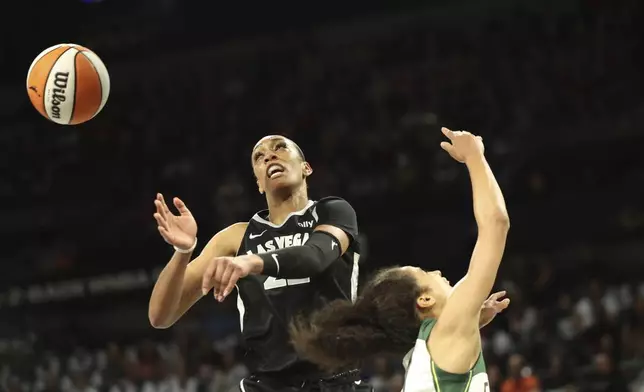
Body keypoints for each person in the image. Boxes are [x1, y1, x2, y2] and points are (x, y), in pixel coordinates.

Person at [289, 128, 510, 392]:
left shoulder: (421, 353)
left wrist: (473, 317)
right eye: (427, 273)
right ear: (424, 300)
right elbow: (496, 225)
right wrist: (475, 155)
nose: (438, 271)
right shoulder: (448, 331)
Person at [148, 135, 367, 392]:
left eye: (280, 148)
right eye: (259, 157)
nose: (270, 156)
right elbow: (160, 316)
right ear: (259, 183)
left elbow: (314, 257)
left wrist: (252, 261)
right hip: (268, 385)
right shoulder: (236, 237)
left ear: (305, 167)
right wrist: (183, 251)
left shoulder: (333, 211)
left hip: (336, 381)